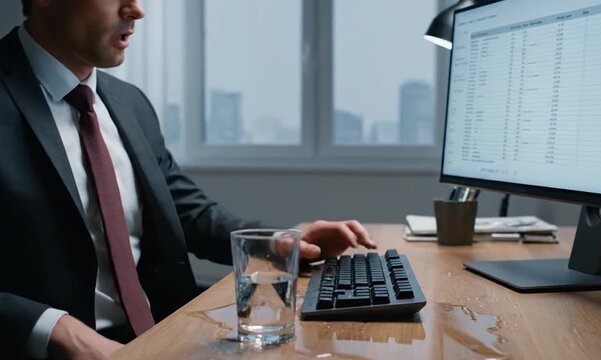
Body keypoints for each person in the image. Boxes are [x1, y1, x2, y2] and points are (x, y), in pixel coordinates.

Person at [0, 0, 377, 359]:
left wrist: (284, 242)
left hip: (166, 335)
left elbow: (187, 212)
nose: (137, 10)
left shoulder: (128, 102)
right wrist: (56, 330)